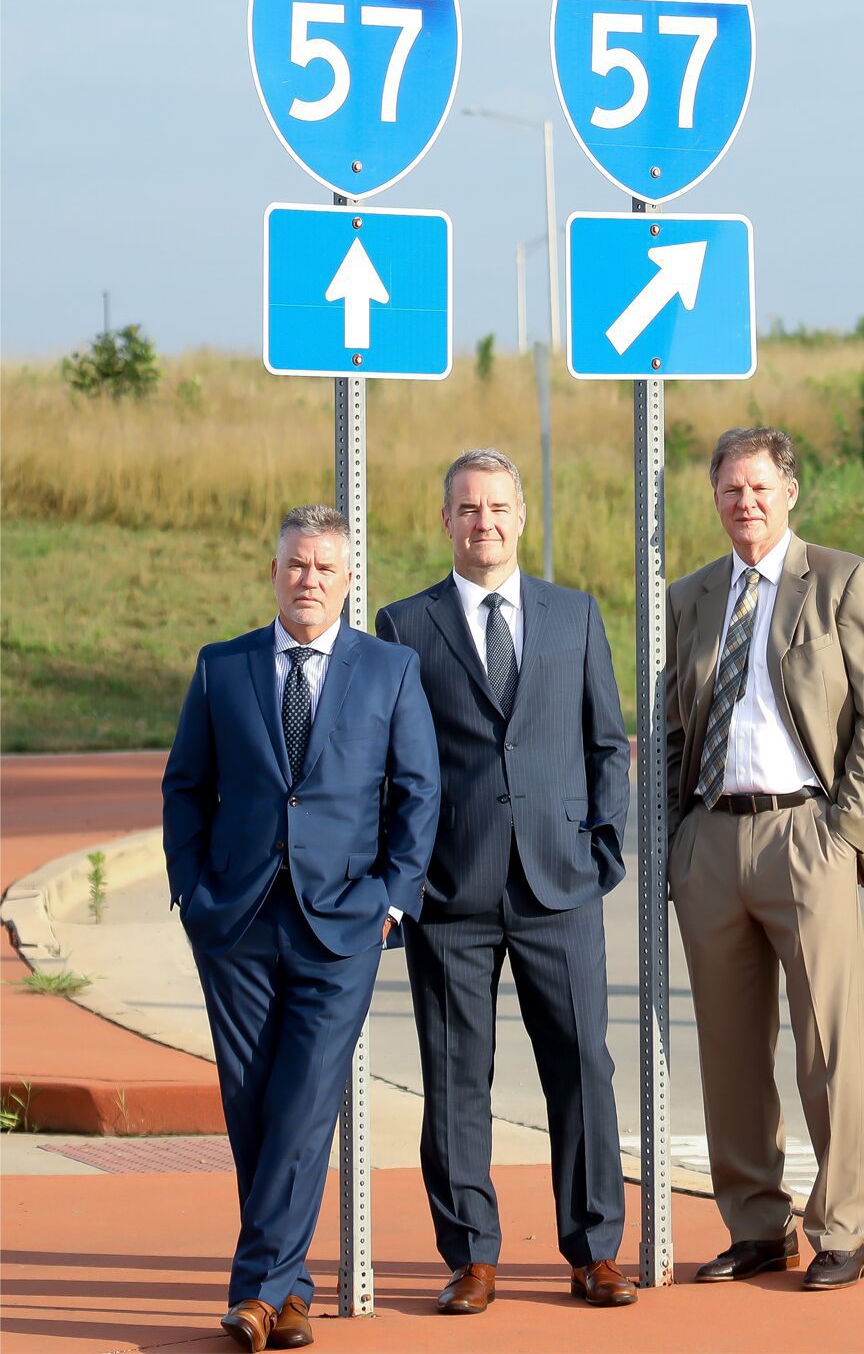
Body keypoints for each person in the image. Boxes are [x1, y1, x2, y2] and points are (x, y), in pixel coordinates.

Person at [163, 505, 440, 1352]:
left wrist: (391, 900)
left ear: (349, 578)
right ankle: (290, 1293)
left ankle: (254, 1291)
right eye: (295, 564)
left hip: (344, 924)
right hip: (236, 923)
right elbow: (185, 787)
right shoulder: (223, 667)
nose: (308, 578)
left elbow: (419, 791)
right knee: (250, 1101)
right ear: (274, 571)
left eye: (324, 566)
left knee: (306, 1098)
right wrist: (193, 894)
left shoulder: (390, 670)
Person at [375, 448, 637, 1313]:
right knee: (455, 1075)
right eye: (466, 508)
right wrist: (404, 879)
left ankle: (595, 1248)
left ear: (521, 516)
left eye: (496, 507)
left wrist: (603, 847)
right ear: (444, 520)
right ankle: (471, 1255)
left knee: (582, 1067)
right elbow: (394, 764)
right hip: (452, 890)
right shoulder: (404, 624)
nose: (482, 522)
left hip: (561, 883)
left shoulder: (575, 616)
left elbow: (607, 742)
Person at [666, 427, 864, 1292]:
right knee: (729, 1053)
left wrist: (842, 832)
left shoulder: (842, 580)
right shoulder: (690, 597)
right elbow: (669, 730)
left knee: (827, 1044)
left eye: (761, 487)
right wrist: (673, 843)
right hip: (712, 840)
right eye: (731, 489)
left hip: (807, 834)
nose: (746, 502)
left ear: (790, 492)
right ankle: (756, 1225)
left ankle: (841, 1226)